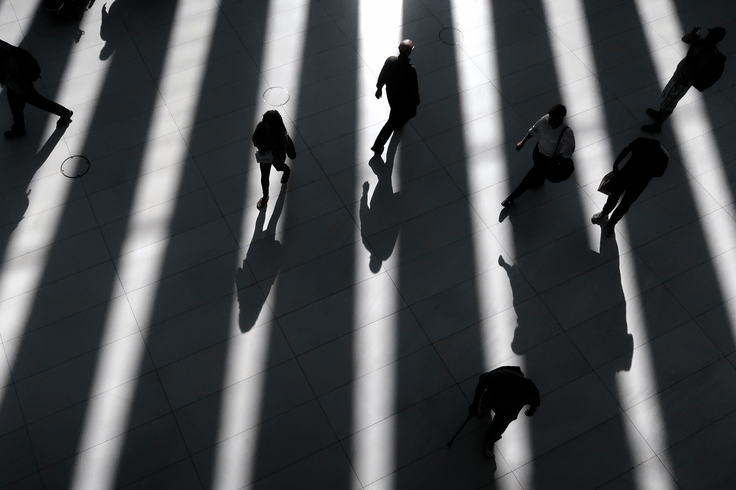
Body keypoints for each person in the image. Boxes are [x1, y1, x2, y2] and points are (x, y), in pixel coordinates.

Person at [642, 26, 726, 133]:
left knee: (670, 103)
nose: (709, 36)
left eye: (712, 35)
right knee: (668, 98)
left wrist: (694, 44)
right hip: (679, 75)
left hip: (684, 81)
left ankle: (658, 126)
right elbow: (684, 40)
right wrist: (692, 35)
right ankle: (659, 114)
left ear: (717, 39)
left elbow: (690, 62)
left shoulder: (708, 53)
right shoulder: (703, 43)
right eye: (710, 33)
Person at [592, 137, 669, 236]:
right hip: (625, 174)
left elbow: (660, 173)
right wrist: (616, 164)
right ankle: (605, 212)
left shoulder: (663, 156)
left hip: (640, 183)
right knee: (613, 196)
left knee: (625, 205)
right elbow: (627, 150)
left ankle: (612, 223)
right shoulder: (640, 142)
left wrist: (643, 171)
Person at [502, 104, 575, 207]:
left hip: (548, 158)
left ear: (560, 119)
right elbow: (534, 129)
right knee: (536, 169)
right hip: (538, 151)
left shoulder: (566, 132)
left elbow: (570, 150)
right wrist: (522, 142)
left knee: (530, 177)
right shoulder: (546, 119)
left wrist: (557, 161)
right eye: (550, 117)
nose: (549, 121)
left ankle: (511, 197)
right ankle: (539, 179)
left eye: (553, 119)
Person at [0, 40, 73, 139]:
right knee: (16, 107)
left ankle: (65, 113)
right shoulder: (2, 46)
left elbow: (3, 80)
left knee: (39, 102)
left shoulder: (5, 59)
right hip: (16, 83)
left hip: (20, 86)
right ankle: (19, 128)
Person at [468, 366, 540, 458]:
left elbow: (535, 402)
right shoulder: (499, 378)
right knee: (486, 399)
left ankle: (490, 440)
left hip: (509, 411)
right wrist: (475, 403)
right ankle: (483, 406)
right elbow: (482, 382)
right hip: (494, 396)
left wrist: (532, 409)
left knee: (499, 427)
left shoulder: (531, 392)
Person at [371, 39, 420, 156]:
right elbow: (413, 89)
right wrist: (416, 101)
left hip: (391, 95)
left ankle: (398, 123)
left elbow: (382, 74)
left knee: (395, 114)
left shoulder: (391, 60)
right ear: (409, 52)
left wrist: (379, 88)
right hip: (403, 100)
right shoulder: (410, 69)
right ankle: (377, 146)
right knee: (392, 122)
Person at [252, 110, 294, 209]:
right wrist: (263, 149)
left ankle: (286, 170)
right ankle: (265, 196)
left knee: (279, 168)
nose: (265, 125)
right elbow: (254, 139)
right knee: (264, 177)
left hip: (276, 156)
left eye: (268, 123)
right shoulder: (261, 126)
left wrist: (273, 152)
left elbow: (284, 147)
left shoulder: (281, 133)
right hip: (265, 155)